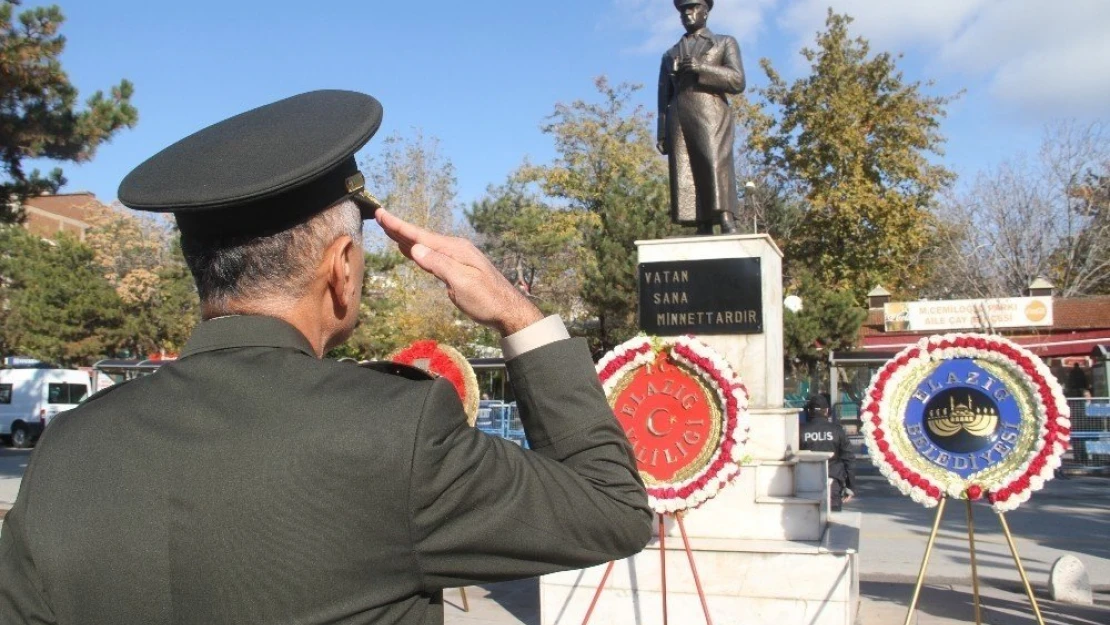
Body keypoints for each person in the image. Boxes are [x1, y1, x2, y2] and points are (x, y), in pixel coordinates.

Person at [0, 90, 652, 625]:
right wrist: (517, 311)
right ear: (340, 269)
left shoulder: (69, 449)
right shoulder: (396, 434)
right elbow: (611, 508)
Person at [657, 0, 745, 235]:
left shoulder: (724, 42)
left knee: (714, 162)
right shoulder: (670, 54)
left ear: (706, 11)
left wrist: (701, 69)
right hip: (679, 115)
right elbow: (662, 97)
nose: (688, 13)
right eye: (683, 9)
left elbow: (737, 81)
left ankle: (726, 218)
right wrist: (662, 131)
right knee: (685, 168)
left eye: (694, 7)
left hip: (710, 111)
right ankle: (701, 222)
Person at [800, 394, 855, 511]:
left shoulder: (800, 431)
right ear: (827, 411)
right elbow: (849, 458)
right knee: (832, 521)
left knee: (808, 518)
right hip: (833, 482)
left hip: (806, 482)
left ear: (809, 411)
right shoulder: (837, 430)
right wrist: (850, 486)